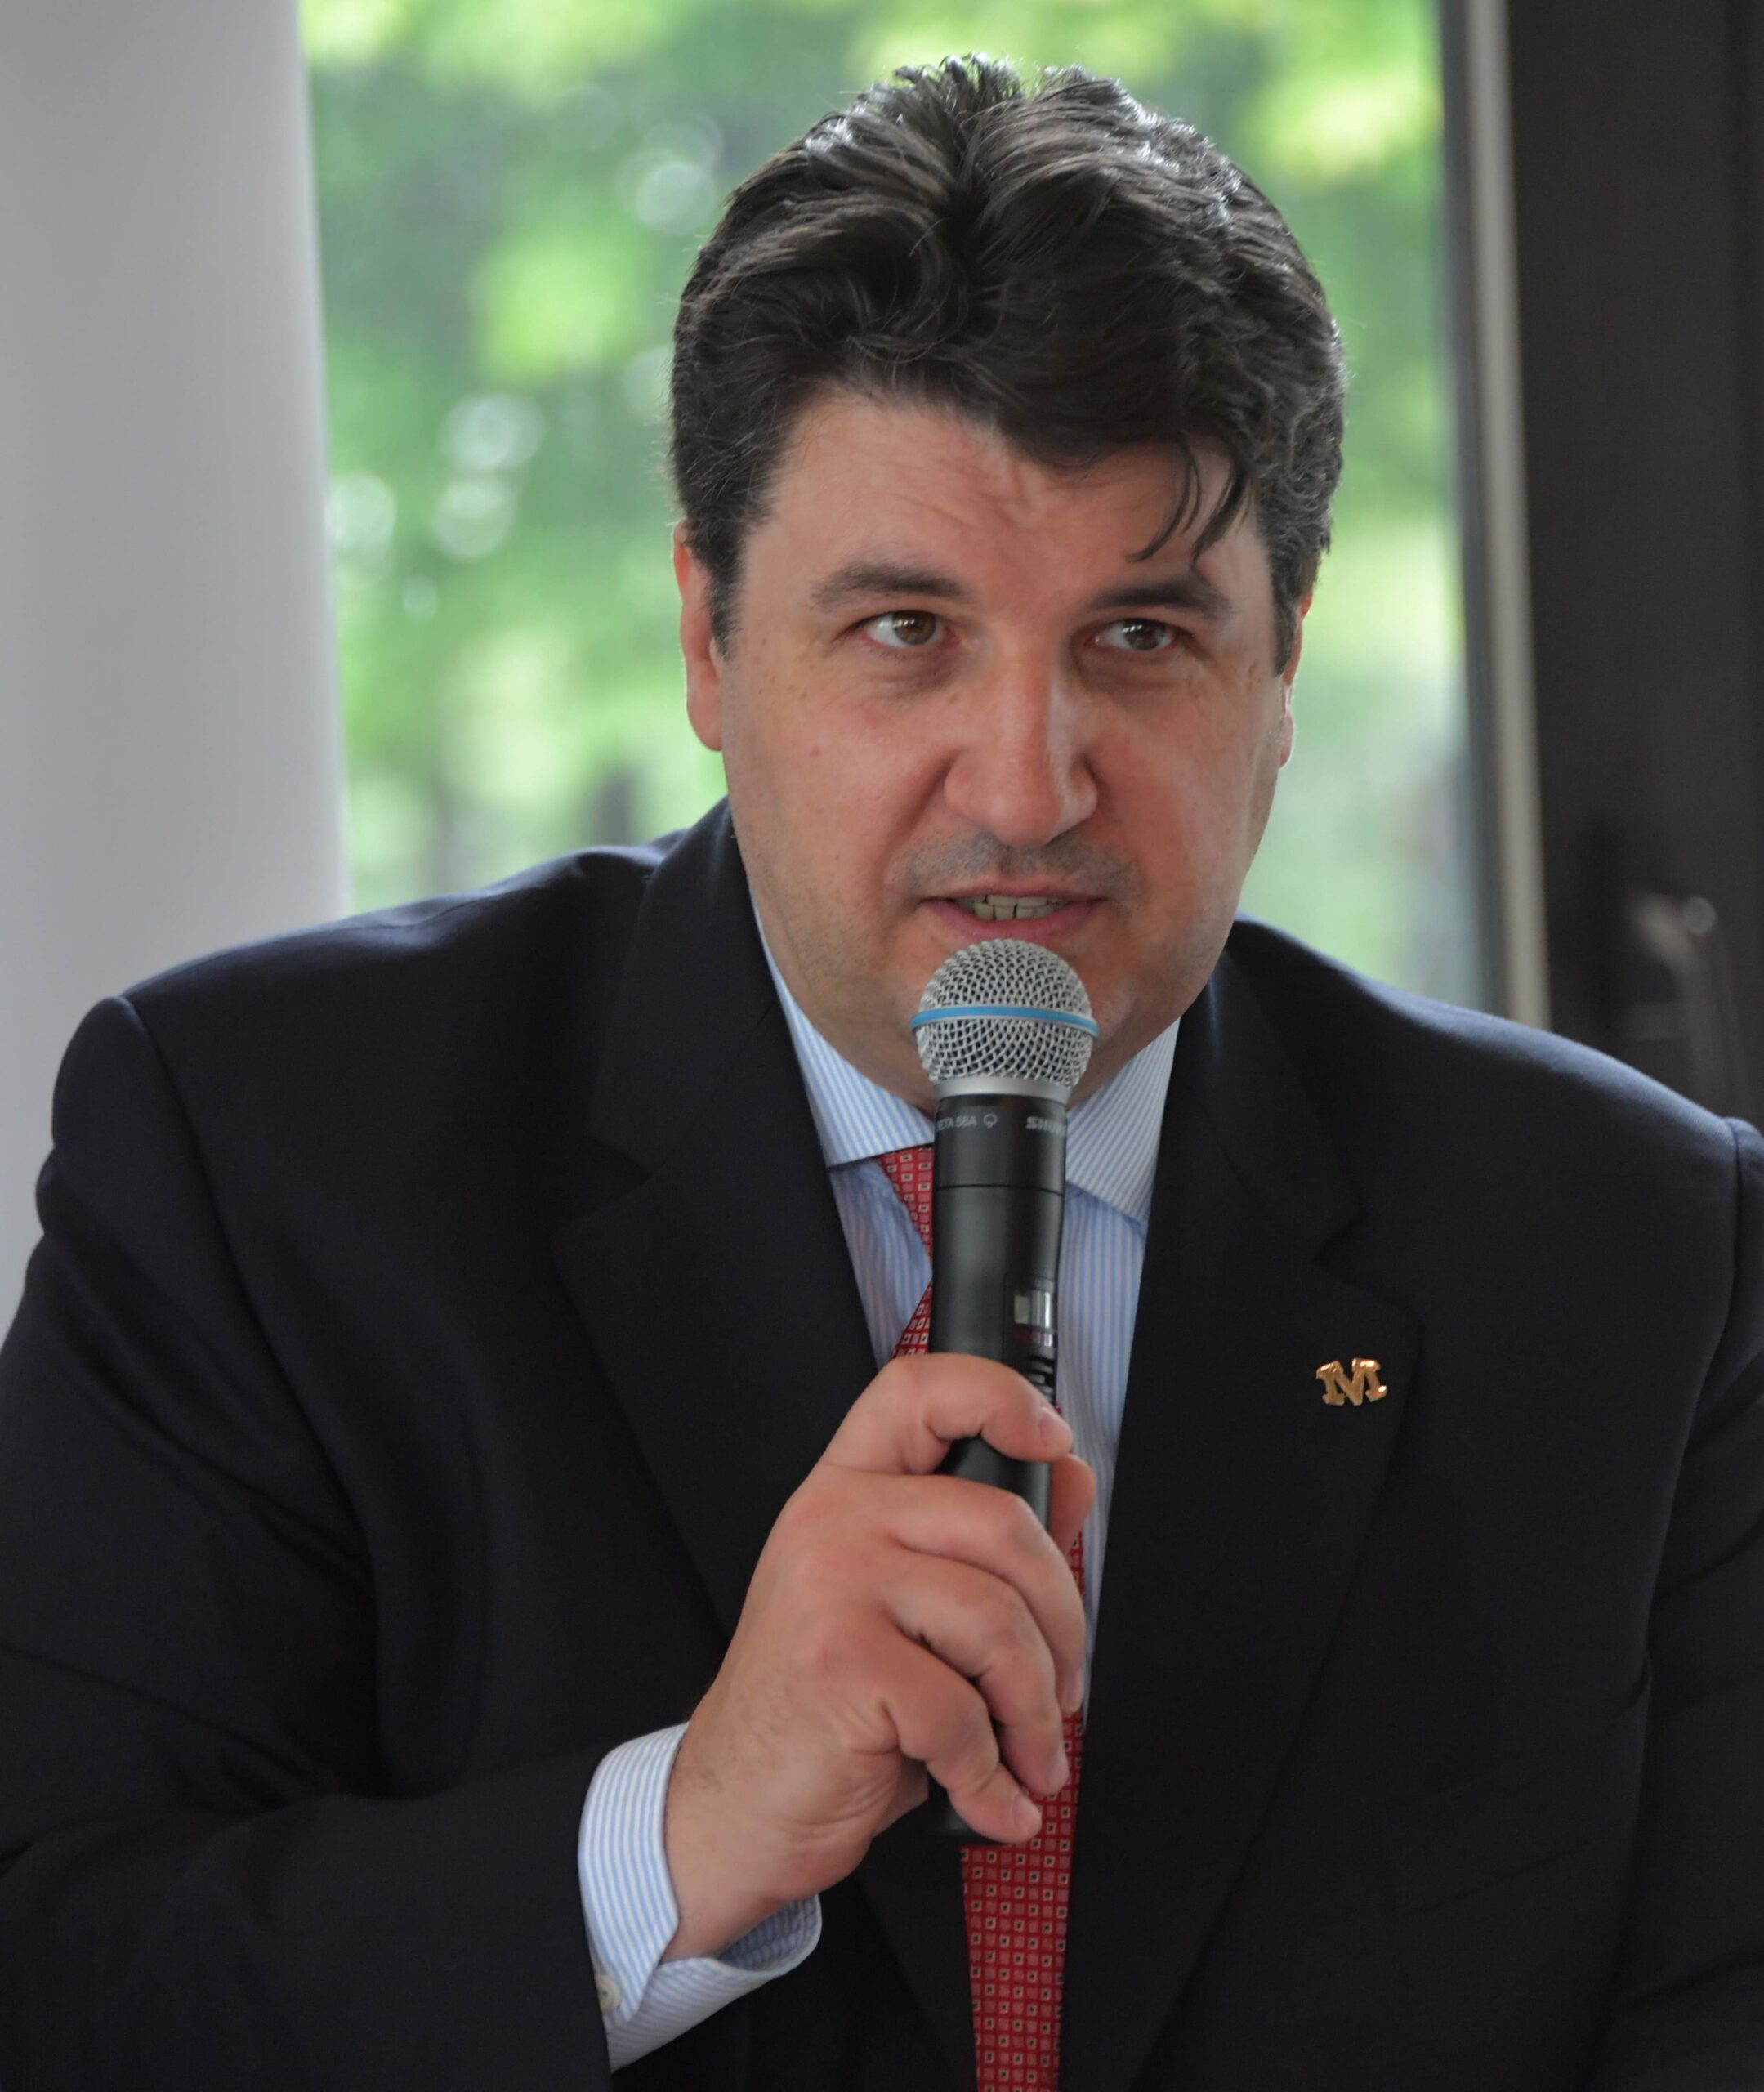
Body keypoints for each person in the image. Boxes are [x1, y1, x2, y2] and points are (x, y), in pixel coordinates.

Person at [1, 51, 1760, 2092]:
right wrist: (679, 1836)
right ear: (706, 639)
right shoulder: (255, 1155)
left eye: (1142, 638)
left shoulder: (1639, 1252)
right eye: (910, 629)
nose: (1026, 788)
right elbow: (65, 1976)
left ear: (1283, 667)